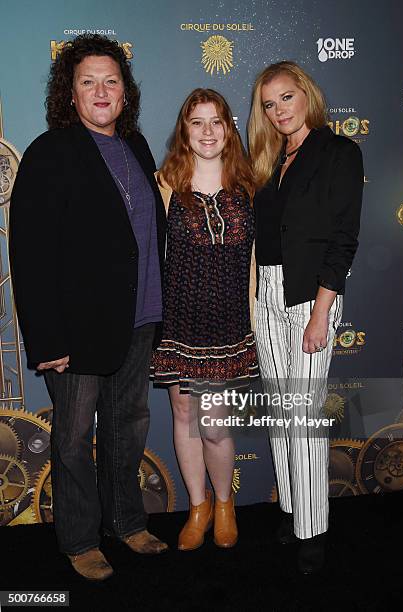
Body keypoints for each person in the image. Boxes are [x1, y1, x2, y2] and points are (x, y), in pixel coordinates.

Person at [9, 34, 168, 581]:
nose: (101, 90)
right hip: (76, 331)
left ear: (125, 93)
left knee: (129, 429)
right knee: (74, 439)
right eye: (88, 81)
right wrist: (47, 340)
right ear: (70, 95)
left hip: (141, 318)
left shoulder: (139, 148)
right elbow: (29, 254)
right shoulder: (50, 153)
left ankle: (127, 521)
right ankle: (78, 539)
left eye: (111, 81)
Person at [248, 61, 363, 573]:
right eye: (269, 104)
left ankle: (313, 529)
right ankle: (294, 507)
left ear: (306, 95)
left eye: (286, 98)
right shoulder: (269, 159)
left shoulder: (339, 152)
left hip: (311, 297)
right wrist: (253, 299)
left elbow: (342, 240)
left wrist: (321, 314)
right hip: (268, 296)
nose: (278, 111)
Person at [150, 88, 258, 551]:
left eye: (217, 121)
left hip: (230, 324)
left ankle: (225, 501)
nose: (208, 131)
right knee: (182, 413)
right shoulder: (165, 182)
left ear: (229, 128)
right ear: (185, 130)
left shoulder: (250, 184)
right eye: (198, 122)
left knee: (214, 425)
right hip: (179, 321)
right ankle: (198, 507)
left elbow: (261, 261)